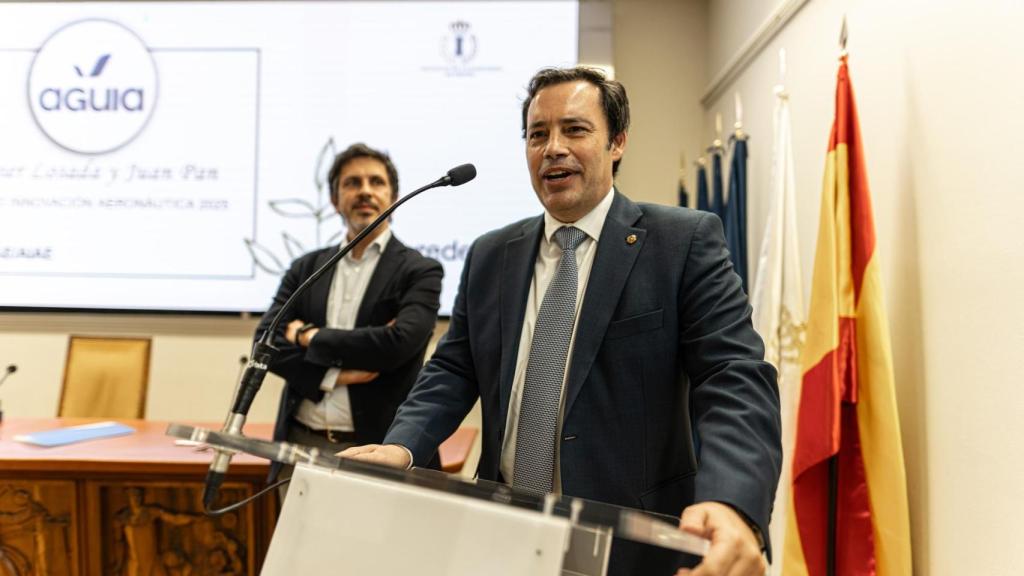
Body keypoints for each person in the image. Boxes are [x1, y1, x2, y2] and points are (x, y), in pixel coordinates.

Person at [342, 68, 781, 576]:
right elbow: (454, 369)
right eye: (537, 135)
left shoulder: (681, 242)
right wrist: (401, 446)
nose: (553, 148)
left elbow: (732, 376)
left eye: (574, 129)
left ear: (617, 142)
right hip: (503, 535)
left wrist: (731, 501)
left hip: (629, 543)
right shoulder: (490, 255)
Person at [256, 143, 443, 491]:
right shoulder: (306, 268)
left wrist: (308, 336)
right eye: (352, 183)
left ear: (394, 196)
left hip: (377, 448)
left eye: (376, 182)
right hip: (299, 446)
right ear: (334, 199)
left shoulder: (420, 271)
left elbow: (398, 344)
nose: (365, 191)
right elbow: (265, 342)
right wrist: (334, 376)